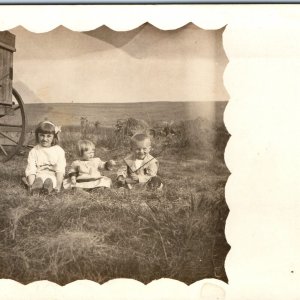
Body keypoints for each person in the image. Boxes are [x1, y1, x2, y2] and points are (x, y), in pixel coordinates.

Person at [25, 120, 66, 195]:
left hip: (53, 176)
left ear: (54, 136)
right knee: (38, 179)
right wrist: (31, 183)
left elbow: (60, 170)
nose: (45, 139)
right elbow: (31, 169)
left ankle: (47, 188)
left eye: (48, 136)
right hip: (38, 175)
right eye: (42, 135)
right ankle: (36, 188)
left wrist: (58, 186)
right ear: (37, 135)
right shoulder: (34, 151)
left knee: (50, 180)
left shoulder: (59, 151)